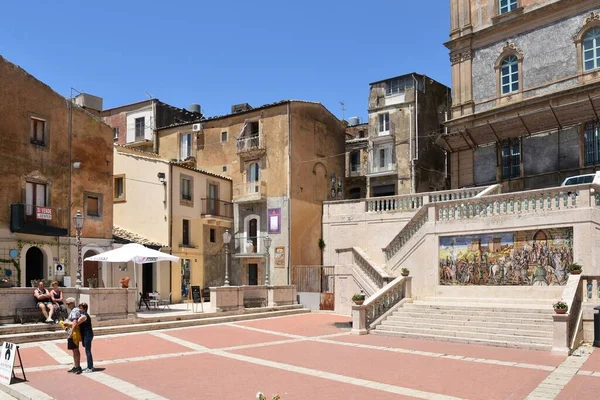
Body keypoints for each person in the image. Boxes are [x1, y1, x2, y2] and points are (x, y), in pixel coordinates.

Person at [62, 297, 82, 374]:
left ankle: (77, 367)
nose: (67, 305)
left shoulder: (74, 311)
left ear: (73, 303)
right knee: (74, 350)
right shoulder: (75, 310)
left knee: (75, 350)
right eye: (66, 304)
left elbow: (75, 322)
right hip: (73, 332)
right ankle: (76, 366)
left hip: (74, 333)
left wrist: (71, 333)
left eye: (68, 304)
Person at [75, 303, 94, 373]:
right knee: (87, 349)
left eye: (81, 308)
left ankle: (90, 367)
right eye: (79, 308)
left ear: (85, 309)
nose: (79, 310)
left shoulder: (84, 316)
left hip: (88, 334)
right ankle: (90, 365)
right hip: (86, 334)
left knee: (88, 351)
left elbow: (77, 323)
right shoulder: (82, 315)